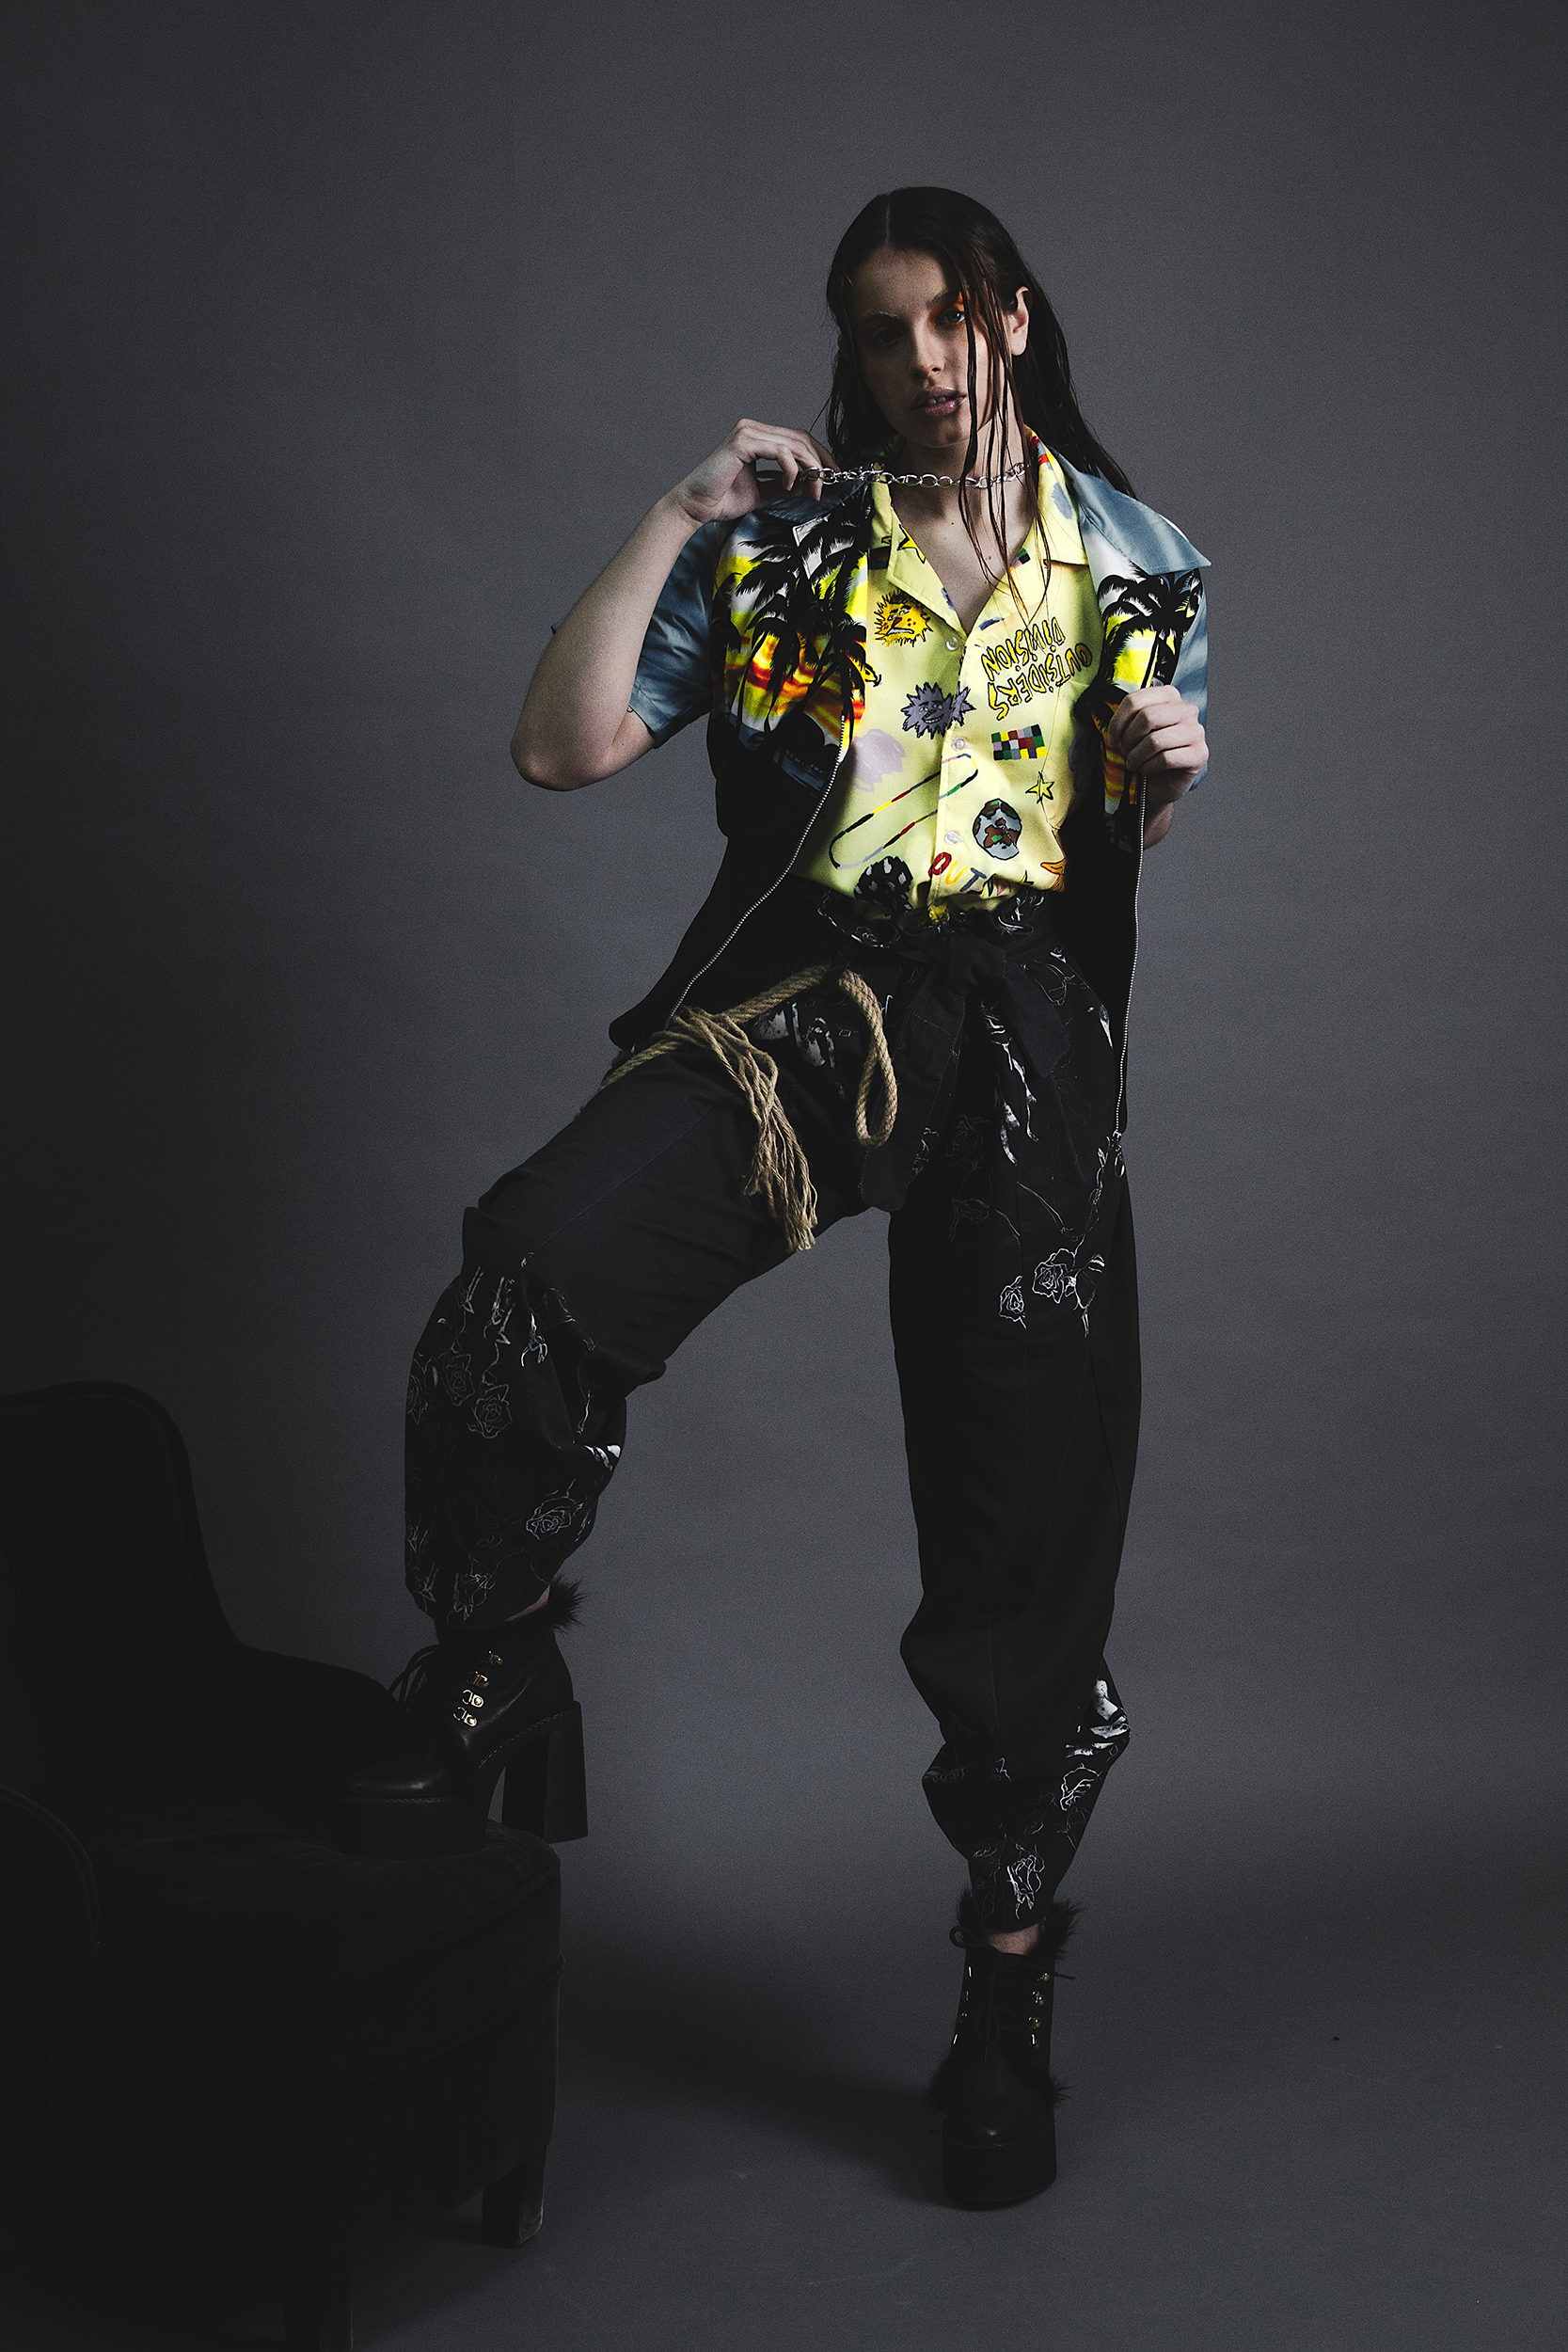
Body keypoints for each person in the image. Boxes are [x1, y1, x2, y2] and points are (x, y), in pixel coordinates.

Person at [336, 186, 1210, 2209]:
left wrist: (1165, 763)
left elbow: (1115, 820)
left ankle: (1006, 1989)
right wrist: (676, 510)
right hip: (810, 1004)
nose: (919, 361)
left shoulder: (1139, 560)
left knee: (1025, 1526)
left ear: (1012, 317)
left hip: (1026, 1042)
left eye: (949, 318)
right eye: (881, 329)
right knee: (529, 1271)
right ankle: (496, 1649)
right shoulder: (787, 550)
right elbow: (561, 748)